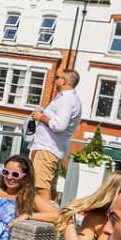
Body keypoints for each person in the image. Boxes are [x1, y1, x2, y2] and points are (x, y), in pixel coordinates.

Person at [28, 69, 83, 201]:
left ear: (63, 80)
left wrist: (41, 117)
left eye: (58, 77)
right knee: (48, 188)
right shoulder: (68, 98)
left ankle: (46, 217)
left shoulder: (67, 99)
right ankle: (50, 215)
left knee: (41, 188)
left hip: (48, 148)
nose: (55, 79)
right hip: (51, 148)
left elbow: (59, 125)